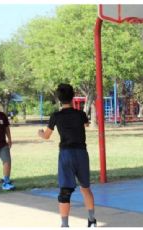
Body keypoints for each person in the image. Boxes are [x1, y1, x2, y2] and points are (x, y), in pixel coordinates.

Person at [38, 83, 96, 227]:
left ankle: (65, 225)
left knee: (65, 191)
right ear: (73, 96)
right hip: (82, 154)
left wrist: (40, 132)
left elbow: (46, 136)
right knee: (85, 188)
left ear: (59, 98)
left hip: (66, 154)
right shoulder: (81, 114)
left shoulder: (56, 116)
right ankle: (91, 219)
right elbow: (85, 125)